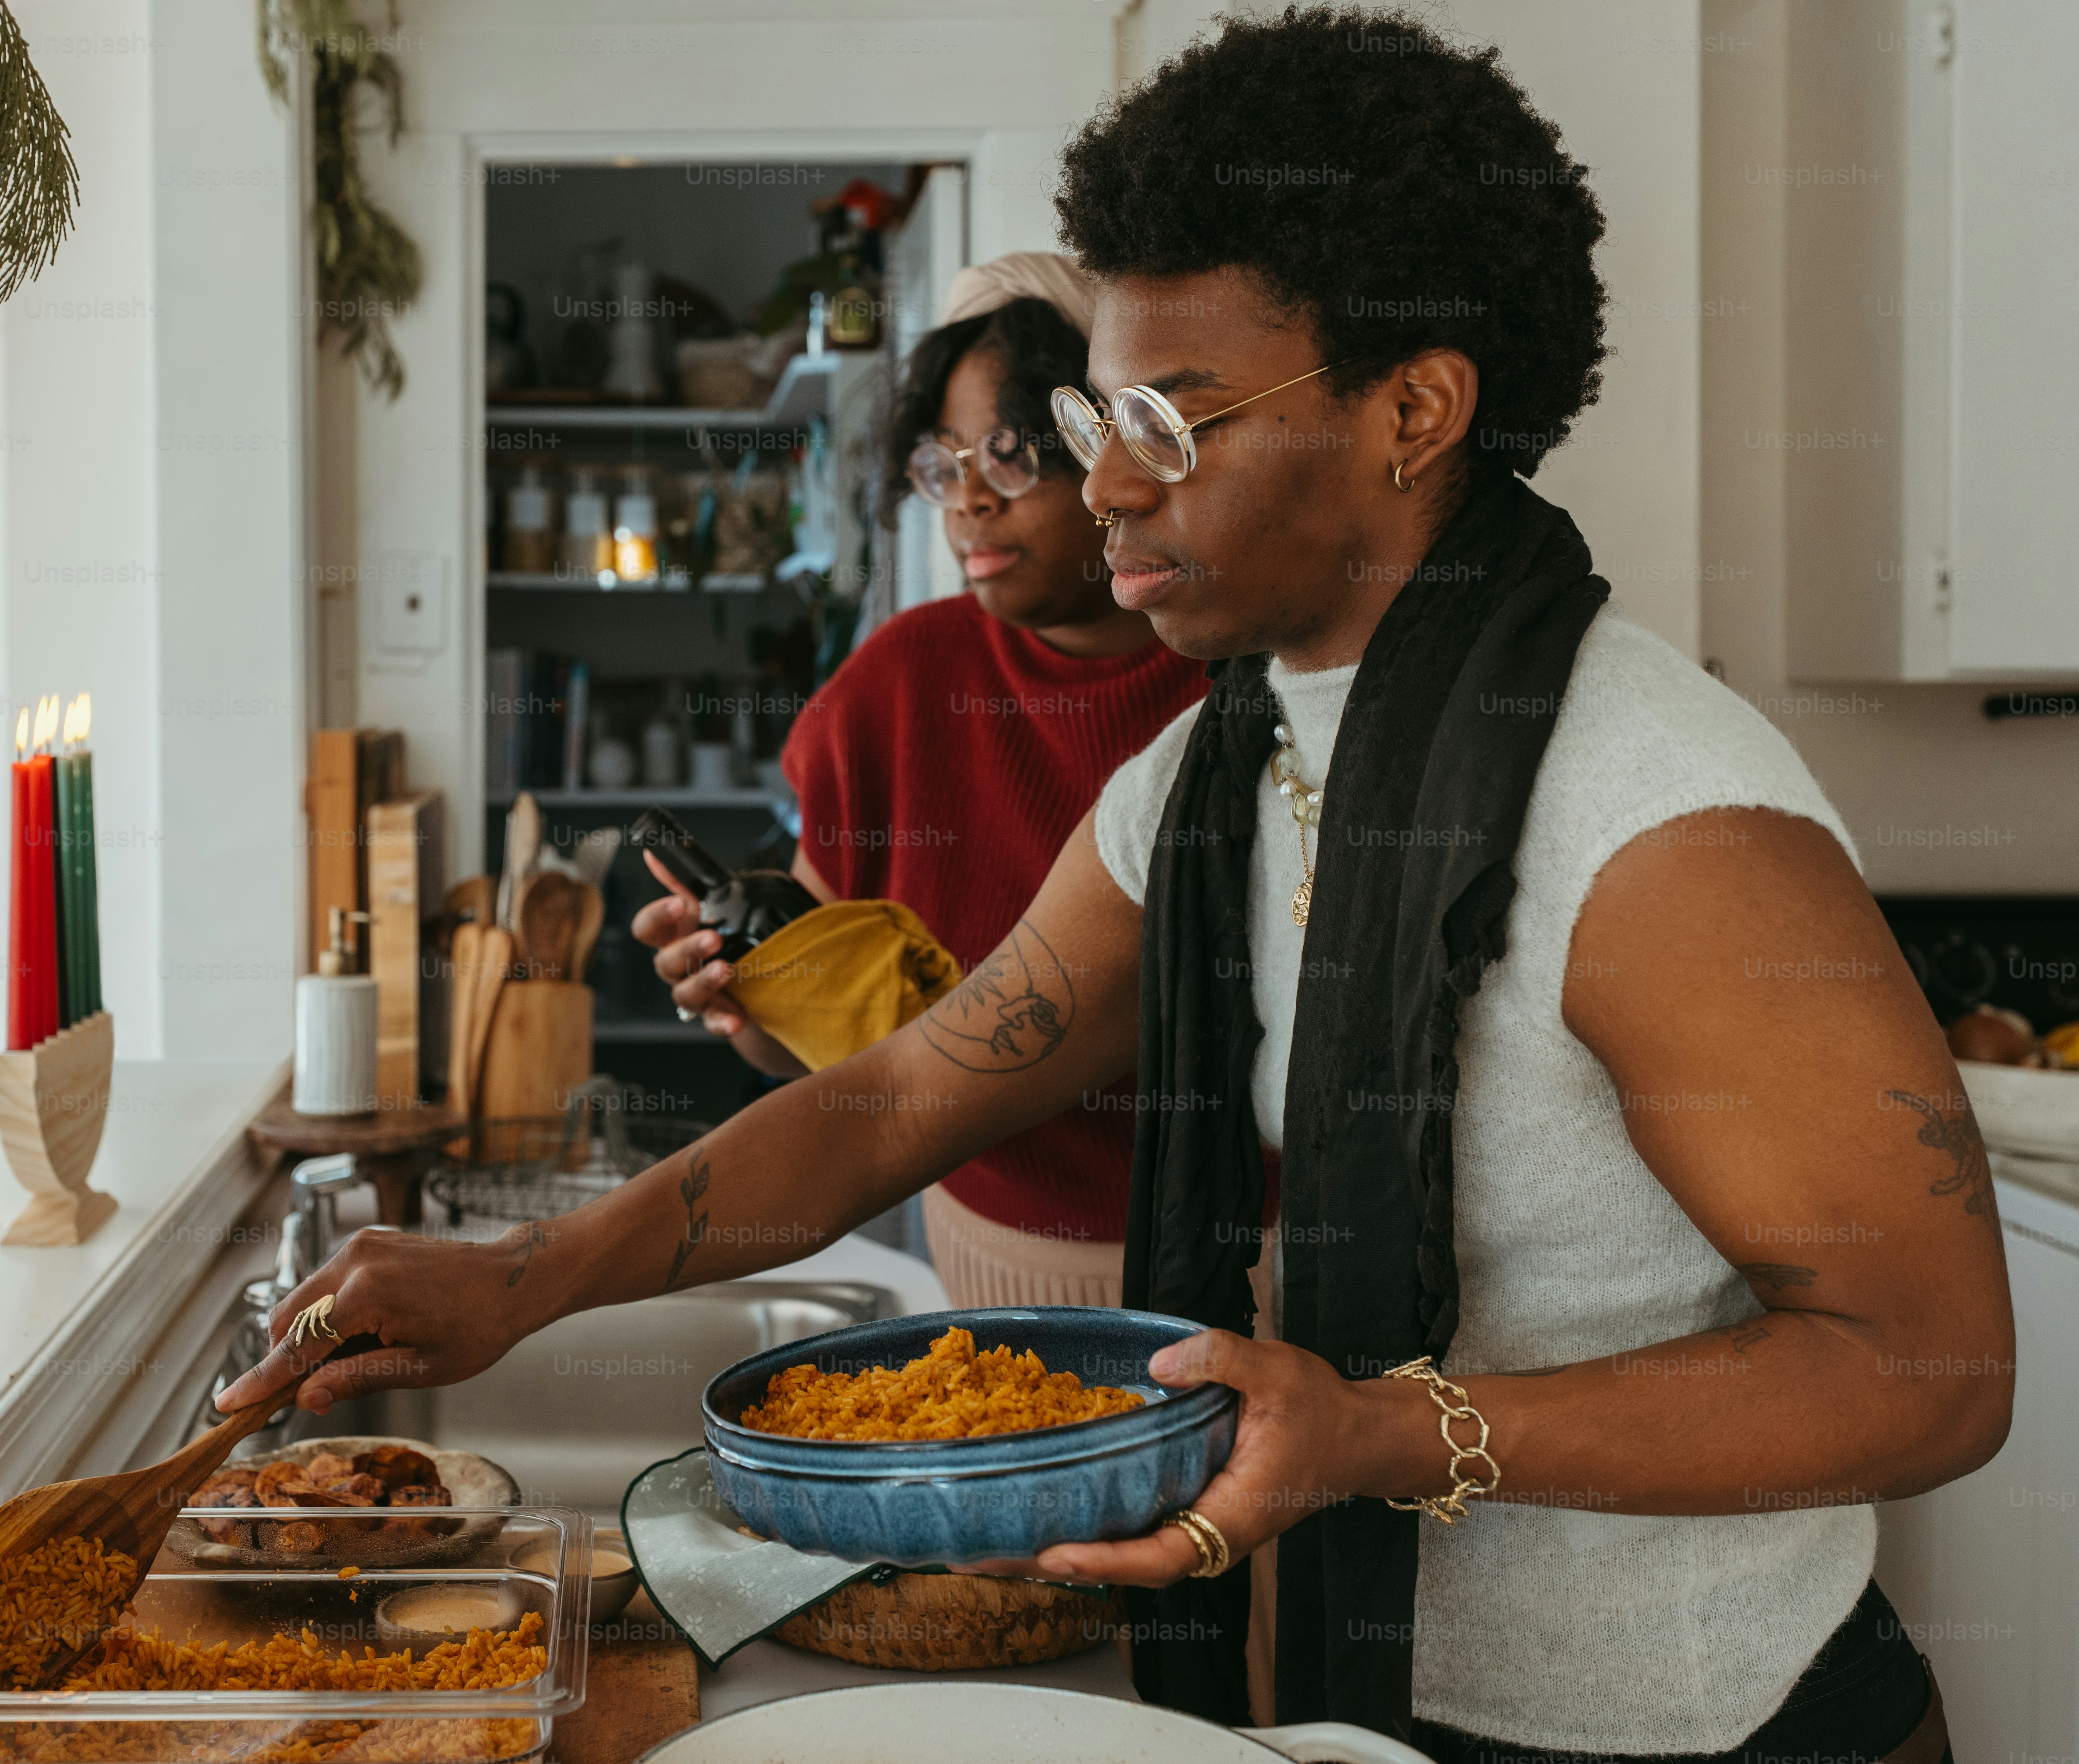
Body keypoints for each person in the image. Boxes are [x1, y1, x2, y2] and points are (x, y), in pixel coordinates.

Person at [226, 14, 2005, 1760]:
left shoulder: (1665, 825)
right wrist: (517, 1277)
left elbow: (1930, 1366)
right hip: (1356, 1696)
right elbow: (906, 1098)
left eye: (1171, 414)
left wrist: (1383, 1431)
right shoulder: (1217, 773)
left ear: (1417, 409)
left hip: (1706, 1731)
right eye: (1097, 411)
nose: (1107, 479)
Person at [641, 250, 1210, 1309]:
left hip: (1257, 1267)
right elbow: (824, 1045)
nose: (967, 505)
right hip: (987, 1257)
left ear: (1117, 447)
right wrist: (739, 997)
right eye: (942, 464)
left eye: (1009, 456)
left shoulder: (1240, 669)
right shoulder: (896, 690)